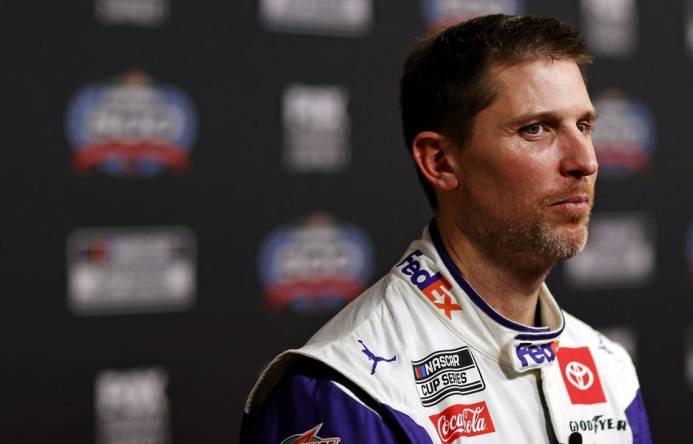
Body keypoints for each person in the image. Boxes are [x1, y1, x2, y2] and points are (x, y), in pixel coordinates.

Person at [241, 14, 652, 444]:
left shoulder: (611, 371)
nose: (584, 161)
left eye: (584, 126)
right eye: (536, 129)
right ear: (439, 161)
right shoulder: (349, 390)